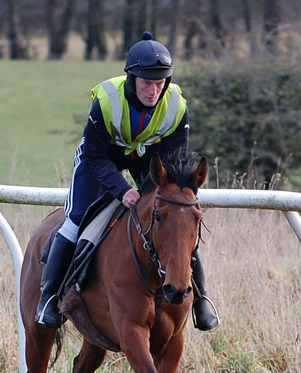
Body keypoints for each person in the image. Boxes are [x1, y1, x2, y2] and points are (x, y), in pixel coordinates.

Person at [35, 32, 219, 331]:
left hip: (149, 159)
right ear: (131, 79)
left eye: (160, 83)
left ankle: (201, 300)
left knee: (178, 222)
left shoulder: (177, 105)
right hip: (102, 157)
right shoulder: (106, 102)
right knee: (77, 217)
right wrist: (122, 191)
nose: (153, 91)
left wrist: (166, 194)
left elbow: (175, 162)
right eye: (147, 83)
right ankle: (48, 297)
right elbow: (94, 156)